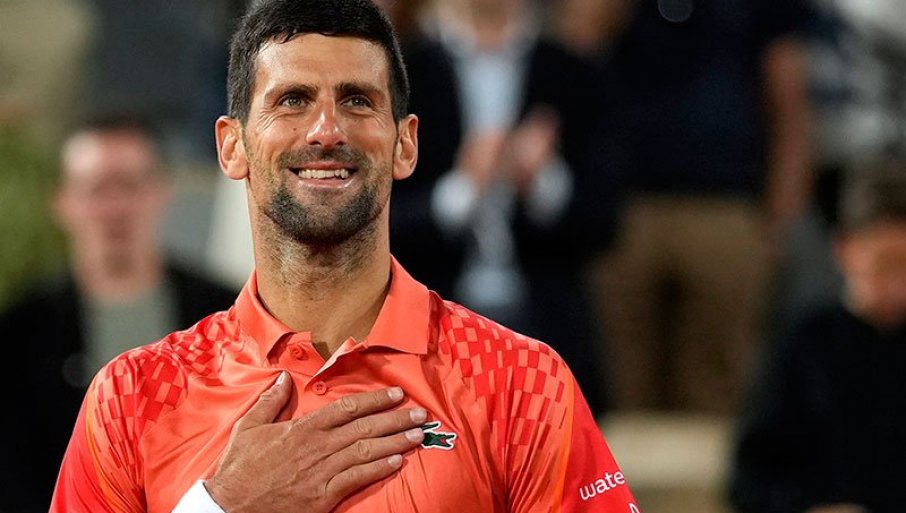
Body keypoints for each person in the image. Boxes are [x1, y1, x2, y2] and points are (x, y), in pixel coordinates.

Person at [49, 1, 639, 512]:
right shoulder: (132, 396)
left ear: (406, 143)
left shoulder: (522, 384)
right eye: (292, 100)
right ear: (232, 146)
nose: (326, 130)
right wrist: (221, 503)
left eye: (357, 101)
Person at [389, 0, 618, 415]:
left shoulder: (572, 73)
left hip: (547, 324)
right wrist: (460, 192)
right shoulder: (405, 72)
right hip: (430, 324)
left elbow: (604, 222)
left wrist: (544, 183)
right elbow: (379, 220)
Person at [0, 115, 236, 512]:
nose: (115, 208)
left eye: (129, 185)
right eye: (97, 189)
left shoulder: (225, 314)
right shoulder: (20, 335)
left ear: (161, 191)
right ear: (62, 201)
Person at [593, 0, 814, 414]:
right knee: (617, 383)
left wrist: (783, 217)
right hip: (624, 211)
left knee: (717, 385)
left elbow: (789, 99)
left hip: (728, 208)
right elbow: (576, 47)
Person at [729, 158, 906, 513]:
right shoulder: (806, 342)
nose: (900, 285)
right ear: (845, 250)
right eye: (885, 264)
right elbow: (750, 479)